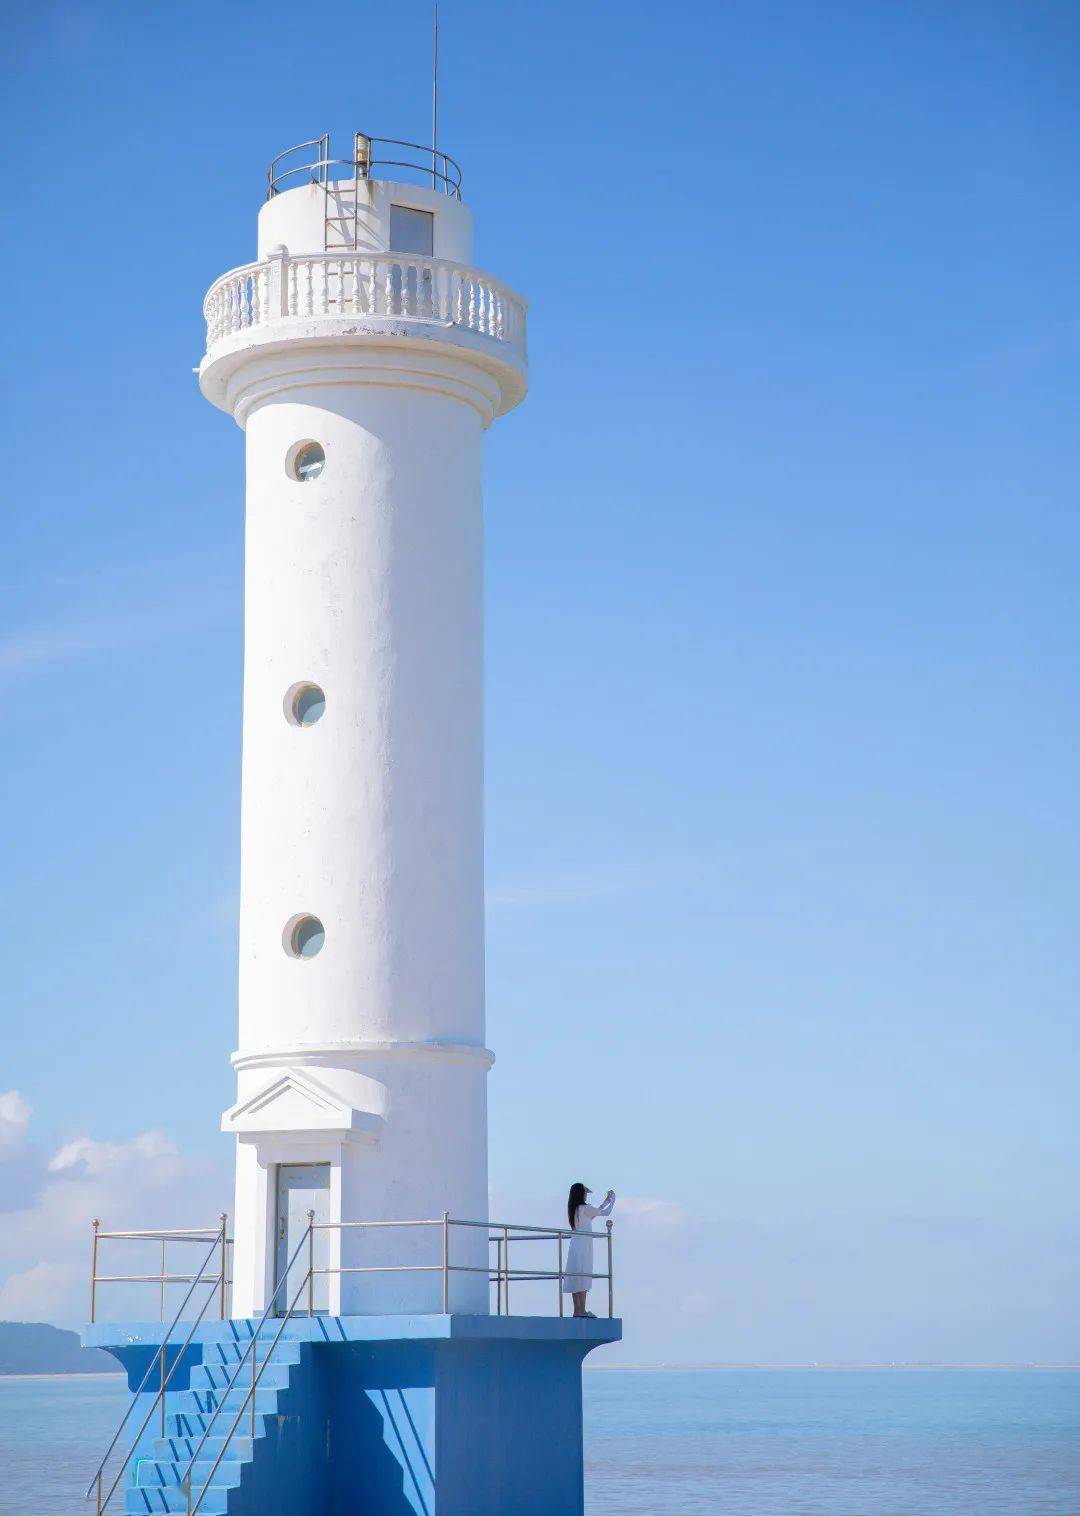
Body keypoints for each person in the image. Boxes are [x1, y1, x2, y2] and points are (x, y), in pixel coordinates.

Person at [563, 1182, 615, 1318]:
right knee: (584, 1275)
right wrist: (612, 1200)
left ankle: (577, 1310)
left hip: (575, 1245)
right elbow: (605, 1212)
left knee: (575, 1275)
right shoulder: (585, 1208)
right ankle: (582, 1310)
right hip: (584, 1246)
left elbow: (596, 1211)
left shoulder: (574, 1209)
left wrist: (605, 1201)